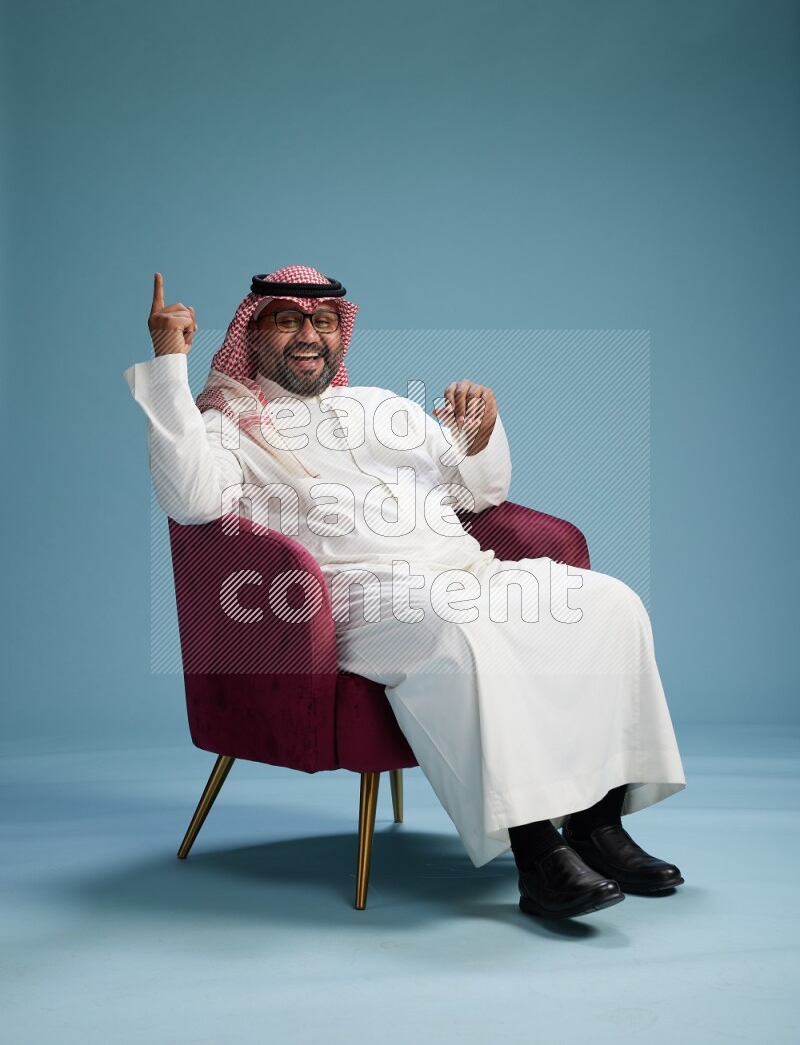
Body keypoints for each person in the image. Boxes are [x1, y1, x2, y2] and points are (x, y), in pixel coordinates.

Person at [124, 263, 687, 921]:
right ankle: (536, 855)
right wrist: (169, 363)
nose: (309, 333)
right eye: (288, 320)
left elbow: (479, 494)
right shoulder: (225, 424)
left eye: (324, 321)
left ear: (341, 334)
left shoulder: (382, 408)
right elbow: (190, 501)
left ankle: (596, 827)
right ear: (252, 336)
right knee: (459, 633)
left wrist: (481, 435)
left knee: (610, 605)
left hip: (462, 569)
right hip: (354, 599)